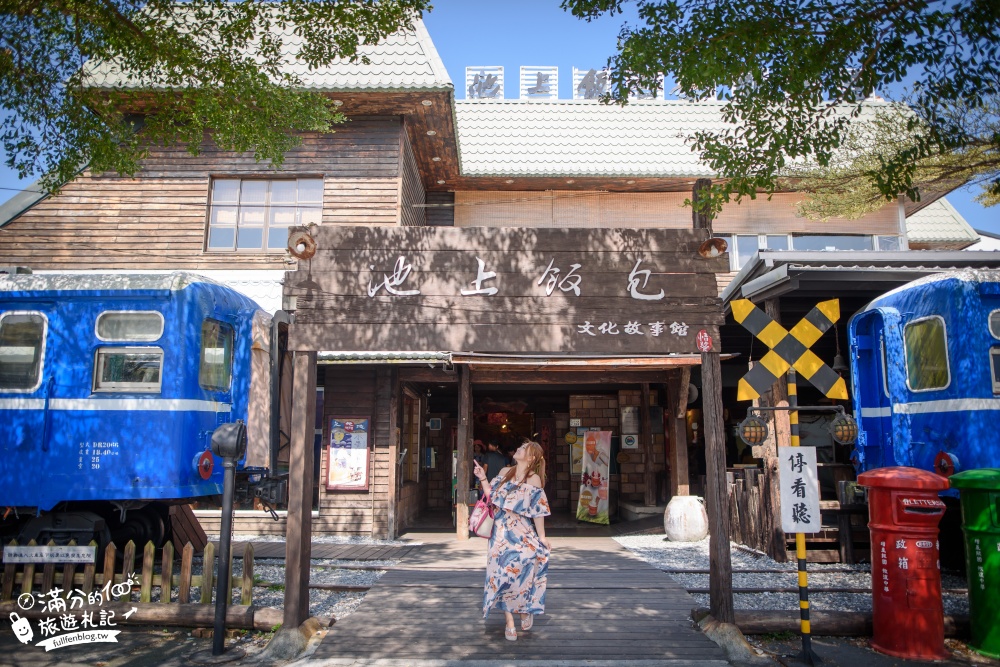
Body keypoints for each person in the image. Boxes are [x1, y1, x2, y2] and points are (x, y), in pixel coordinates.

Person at [473, 440, 551, 641]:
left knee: (522, 574)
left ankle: (525, 609)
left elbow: (538, 511)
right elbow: (491, 498)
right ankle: (509, 622)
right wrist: (483, 478)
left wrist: (542, 537)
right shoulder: (504, 472)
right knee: (501, 577)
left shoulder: (533, 479)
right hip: (500, 534)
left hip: (522, 534)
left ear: (531, 457)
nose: (518, 448)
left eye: (523, 448)